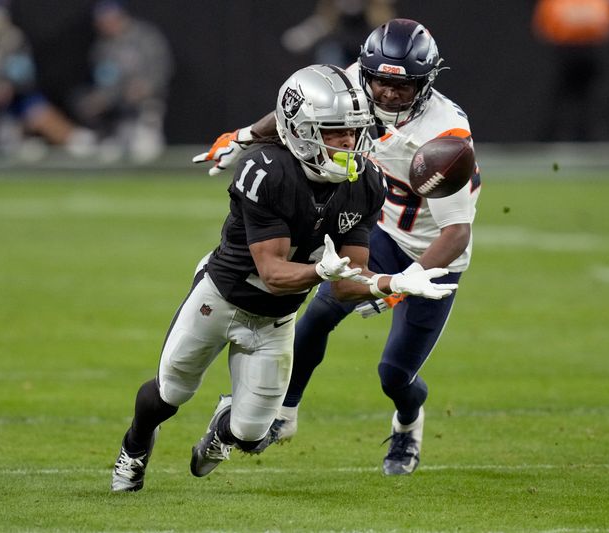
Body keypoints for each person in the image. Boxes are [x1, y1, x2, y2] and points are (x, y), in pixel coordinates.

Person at [111, 64, 457, 492]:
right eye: (333, 132)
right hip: (221, 298)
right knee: (169, 394)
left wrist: (395, 283)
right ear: (299, 130)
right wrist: (319, 272)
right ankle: (135, 446)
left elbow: (348, 282)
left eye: (353, 131)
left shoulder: (365, 182)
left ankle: (223, 429)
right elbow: (273, 273)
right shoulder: (266, 170)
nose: (348, 142)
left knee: (252, 435)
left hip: (275, 321)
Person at [195, 19, 481, 476]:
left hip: (432, 253)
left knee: (395, 374)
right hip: (381, 233)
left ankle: (408, 422)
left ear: (425, 84)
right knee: (320, 314)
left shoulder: (445, 137)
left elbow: (456, 233)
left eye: (402, 86)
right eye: (381, 82)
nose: (387, 95)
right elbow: (298, 113)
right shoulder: (353, 85)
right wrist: (245, 136)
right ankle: (282, 417)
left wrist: (404, 285)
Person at [0, 0, 96, 157]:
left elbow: (22, 76)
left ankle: (76, 140)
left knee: (35, 107)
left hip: (9, 97)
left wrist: (7, 87)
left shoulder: (14, 38)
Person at [73, 0, 173, 163]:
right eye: (102, 21)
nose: (106, 24)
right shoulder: (102, 48)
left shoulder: (145, 37)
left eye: (110, 19)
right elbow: (105, 81)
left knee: (144, 153)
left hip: (147, 107)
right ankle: (105, 136)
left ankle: (145, 131)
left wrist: (146, 86)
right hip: (118, 110)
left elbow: (162, 69)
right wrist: (100, 99)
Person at [532, 0, 609, 140]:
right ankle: (562, 138)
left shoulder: (559, 3)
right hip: (580, 52)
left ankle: (575, 138)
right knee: (569, 100)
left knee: (576, 100)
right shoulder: (594, 3)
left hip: (574, 52)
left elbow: (542, 28)